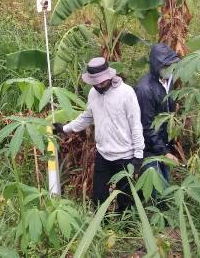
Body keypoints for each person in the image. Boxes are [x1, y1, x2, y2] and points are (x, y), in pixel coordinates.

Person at [53, 57, 144, 212]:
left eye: (102, 82)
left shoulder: (126, 93)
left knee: (126, 199)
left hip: (125, 156)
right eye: (95, 83)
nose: (99, 85)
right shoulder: (93, 94)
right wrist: (65, 129)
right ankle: (102, 227)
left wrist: (138, 155)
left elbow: (136, 125)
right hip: (103, 154)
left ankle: (127, 230)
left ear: (109, 76)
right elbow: (87, 117)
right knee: (99, 196)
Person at [134, 43, 181, 184]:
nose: (169, 69)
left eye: (171, 65)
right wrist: (164, 152)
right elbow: (146, 126)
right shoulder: (144, 89)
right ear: (156, 66)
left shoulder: (169, 80)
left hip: (164, 144)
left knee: (165, 184)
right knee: (158, 189)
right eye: (166, 66)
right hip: (150, 149)